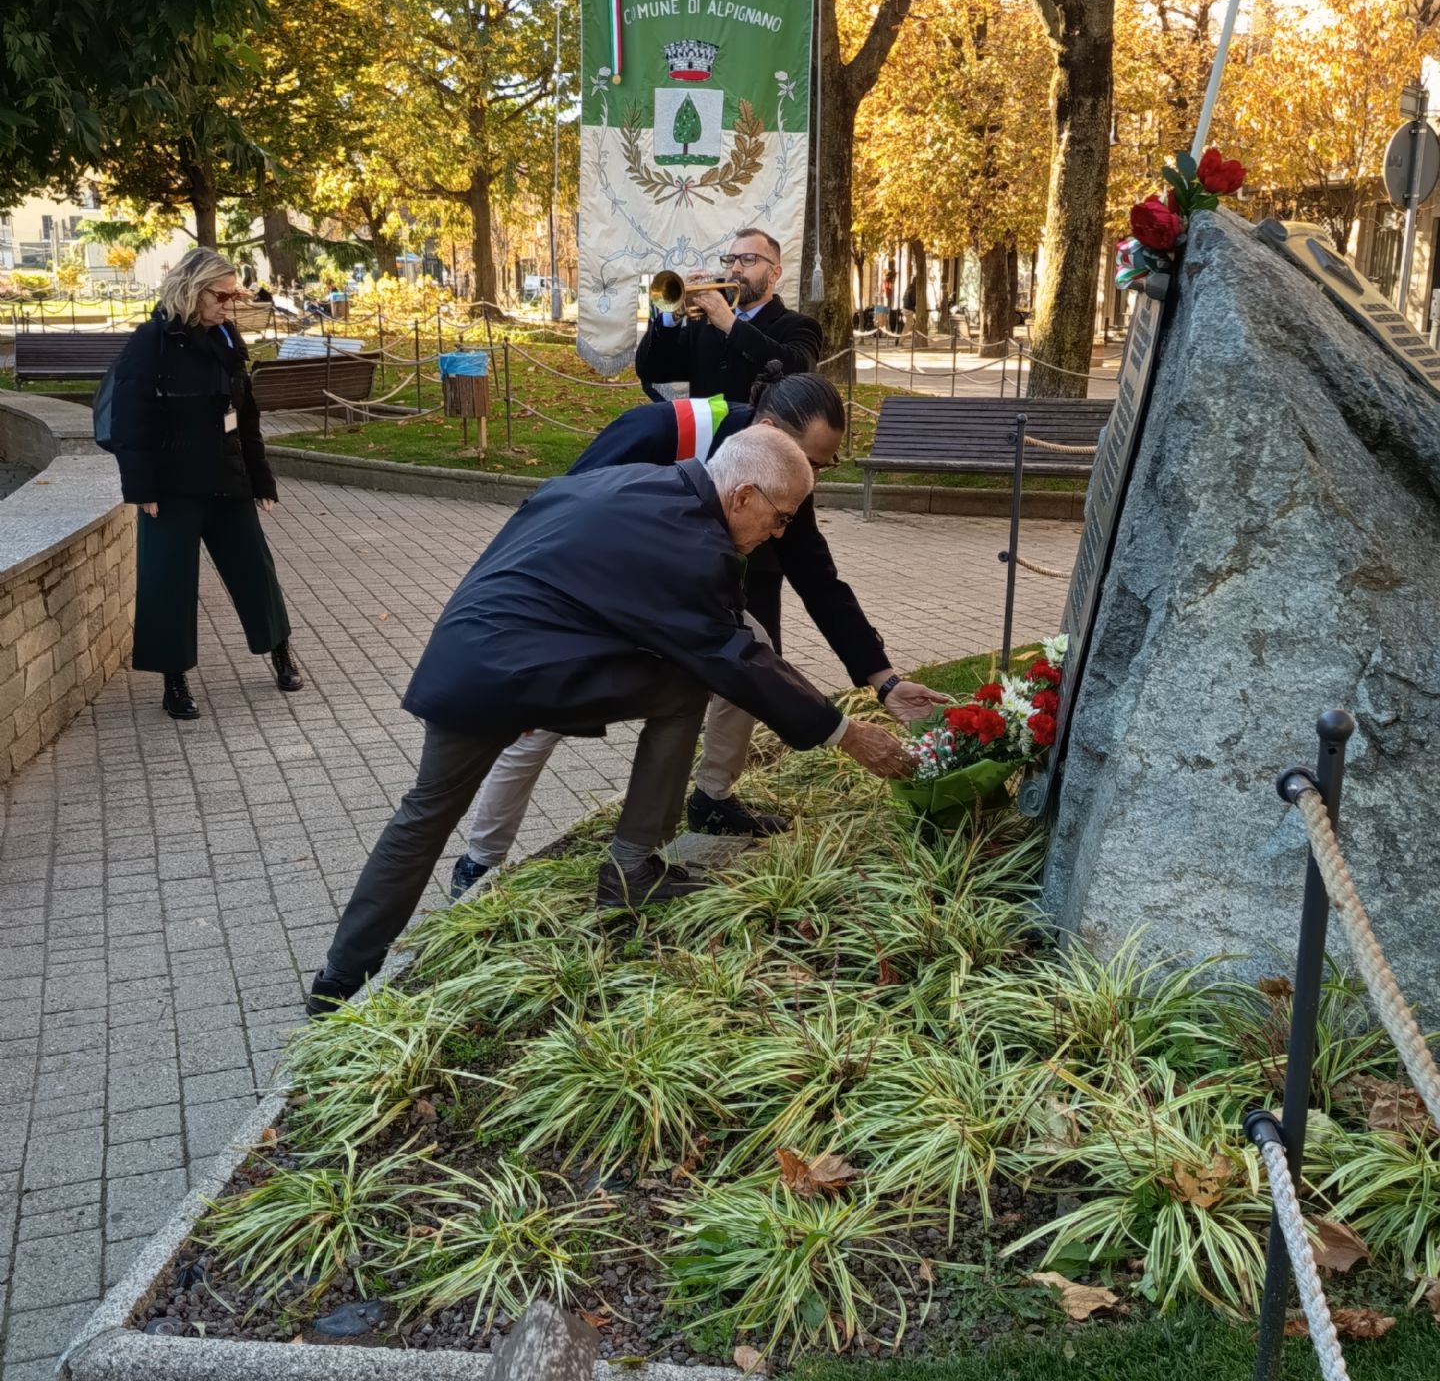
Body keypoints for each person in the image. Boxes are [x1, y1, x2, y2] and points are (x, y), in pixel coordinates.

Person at [307, 428, 913, 1013]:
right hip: (514, 670)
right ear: (743, 496)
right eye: (780, 518)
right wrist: (847, 733)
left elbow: (534, 535)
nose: (779, 533)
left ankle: (338, 980)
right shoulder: (694, 546)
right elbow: (734, 657)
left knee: (423, 814)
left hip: (467, 654)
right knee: (688, 682)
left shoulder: (638, 483)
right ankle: (630, 871)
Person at [449, 368, 950, 899]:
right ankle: (480, 861)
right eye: (813, 463)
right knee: (541, 718)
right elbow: (553, 514)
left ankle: (712, 798)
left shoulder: (787, 475)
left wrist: (884, 681)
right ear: (770, 430)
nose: (814, 482)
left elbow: (818, 581)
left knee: (752, 652)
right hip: (589, 597)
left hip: (682, 597)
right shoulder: (658, 432)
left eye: (824, 467)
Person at [108, 247, 304, 721]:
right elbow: (129, 420)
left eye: (234, 295)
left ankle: (280, 651)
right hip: (171, 487)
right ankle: (173, 681)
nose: (229, 304)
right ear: (193, 291)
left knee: (255, 572)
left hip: (227, 478)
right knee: (167, 584)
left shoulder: (227, 338)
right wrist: (141, 489)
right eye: (222, 295)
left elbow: (246, 416)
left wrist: (261, 478)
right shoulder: (152, 341)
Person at [635, 226, 821, 403]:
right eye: (731, 260)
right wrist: (673, 314)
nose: (735, 269)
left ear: (774, 273)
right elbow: (651, 370)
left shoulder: (800, 326)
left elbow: (797, 371)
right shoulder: (701, 323)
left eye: (748, 259)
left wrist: (731, 325)